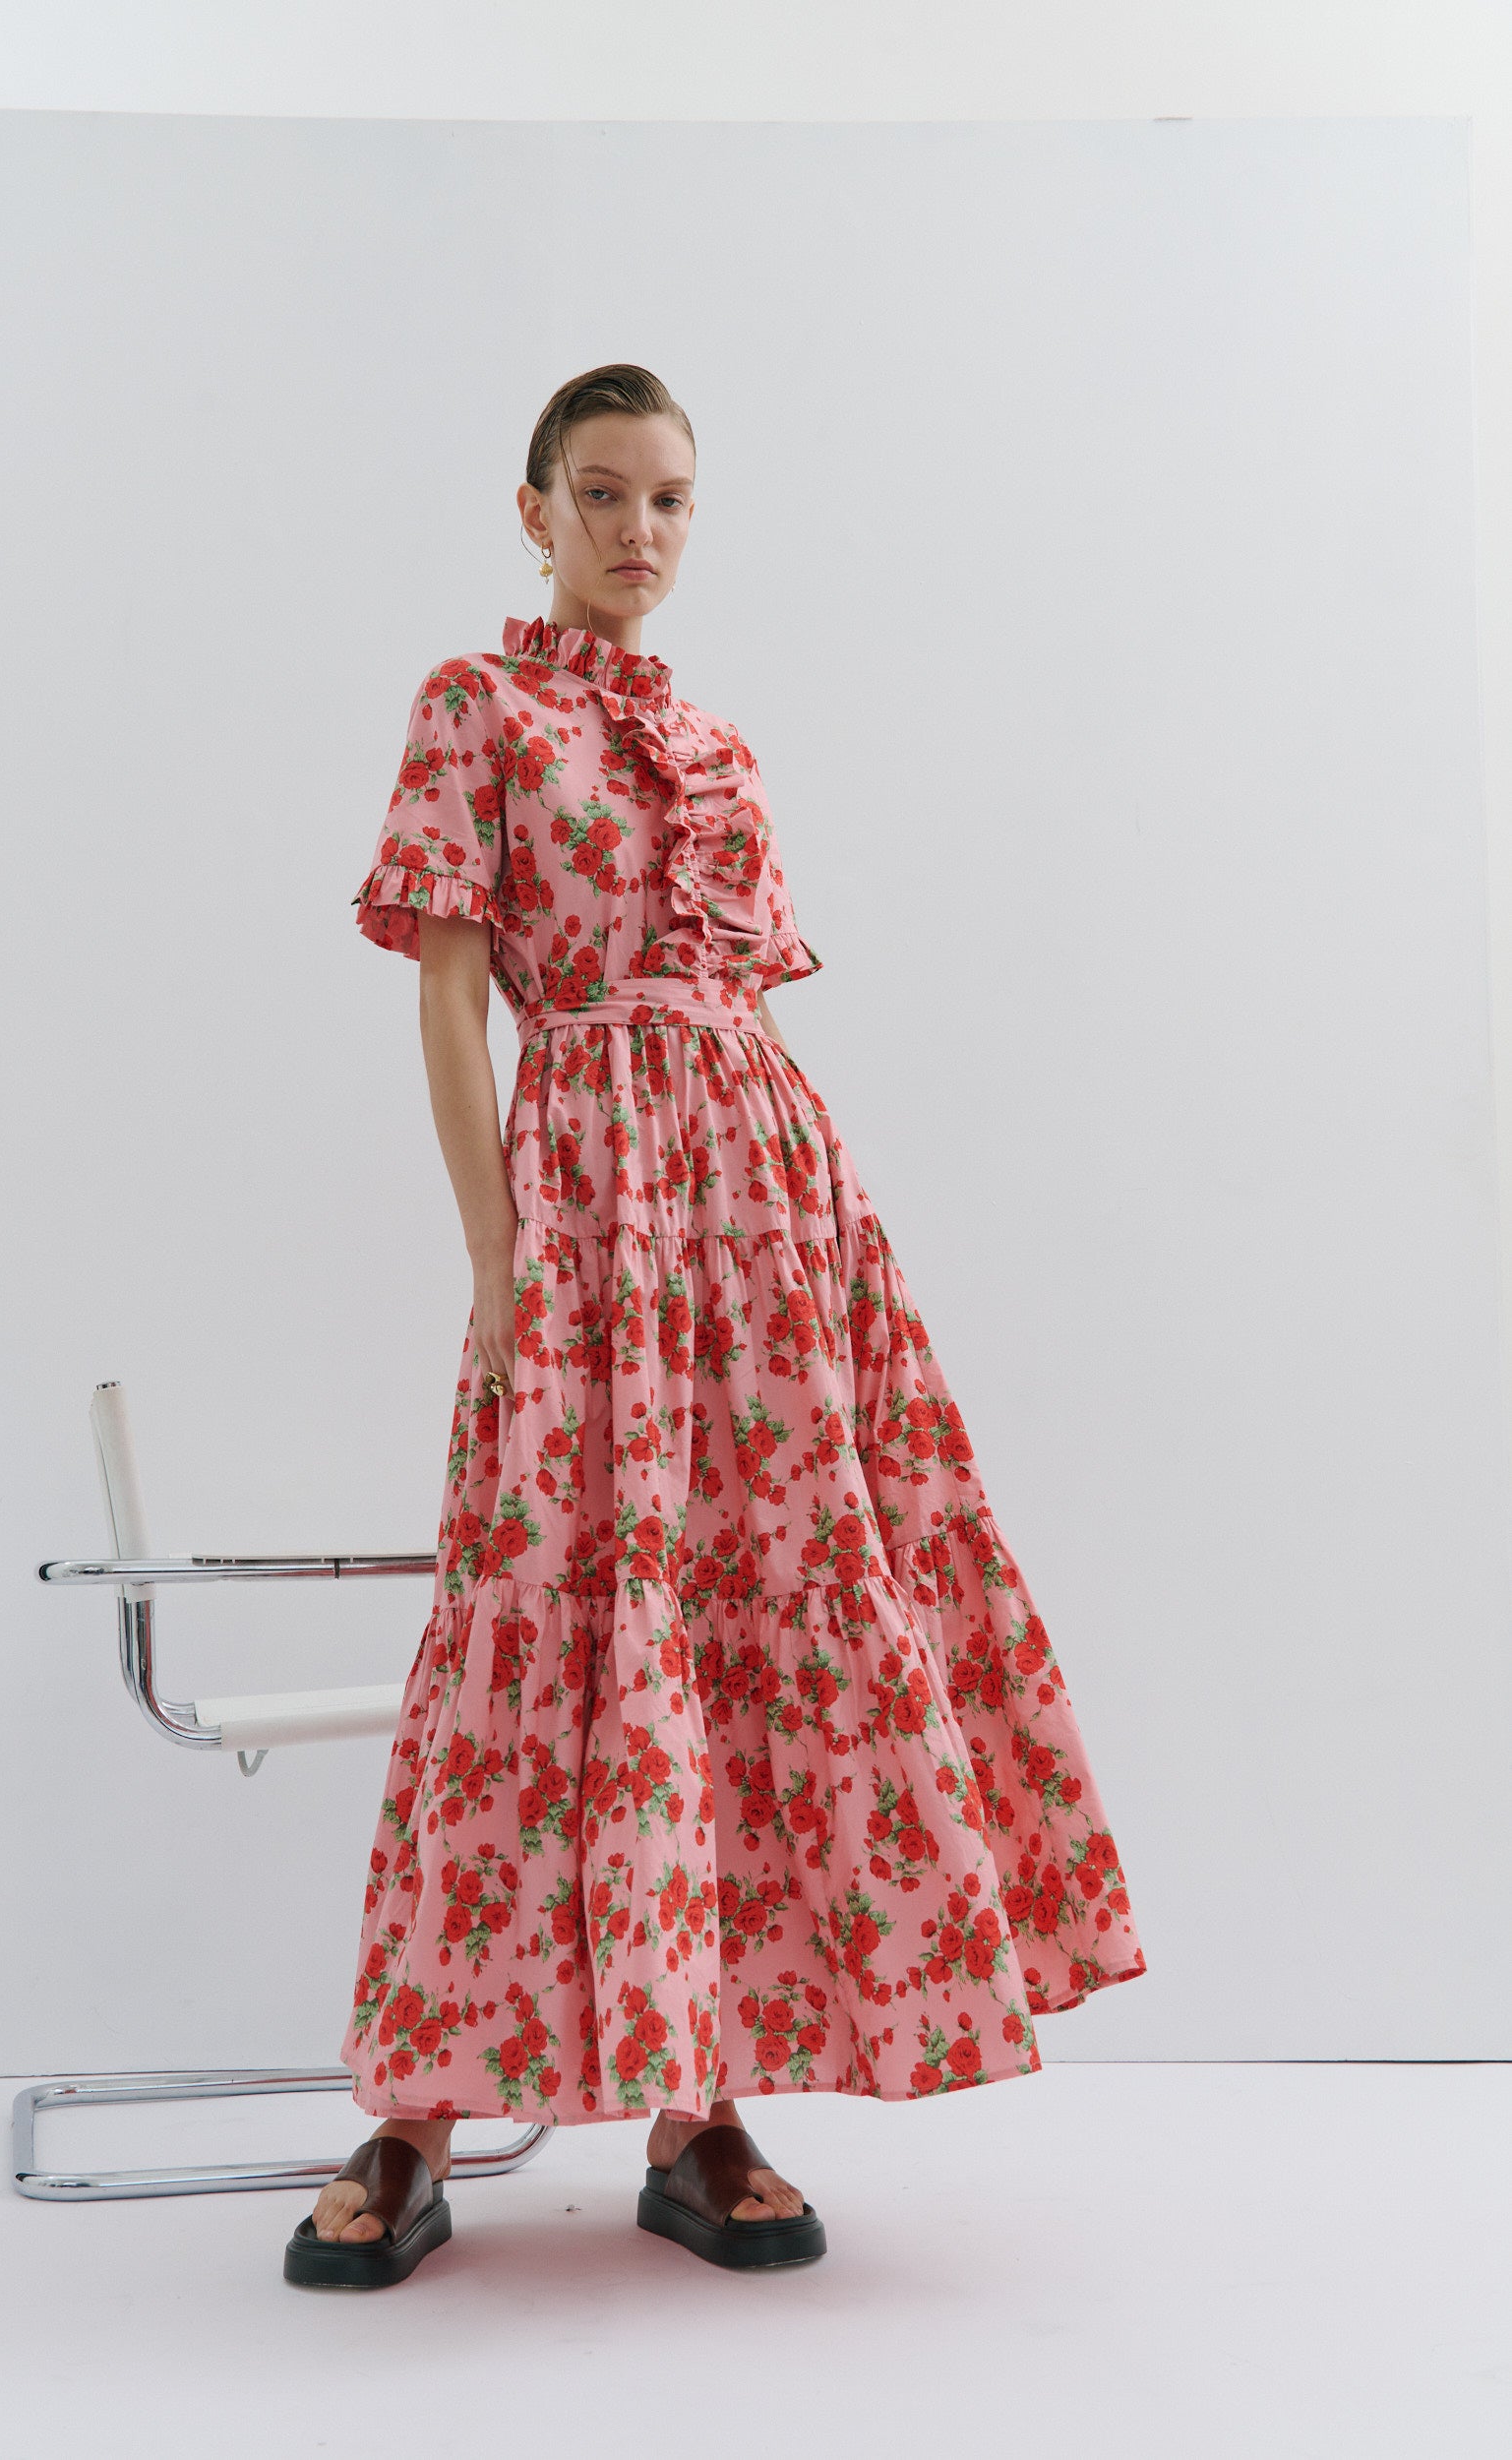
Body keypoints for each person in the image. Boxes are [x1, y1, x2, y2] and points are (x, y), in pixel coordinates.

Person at [283, 361, 1146, 2288]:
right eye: (601, 494)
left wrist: (824, 1250)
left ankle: (702, 2107)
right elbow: (447, 998)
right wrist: (499, 1260)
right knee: (540, 1616)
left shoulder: (721, 738)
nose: (639, 531)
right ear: (533, 509)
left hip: (771, 1214)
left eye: (670, 500)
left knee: (757, 1622)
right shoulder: (475, 709)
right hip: (589, 1203)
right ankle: (415, 2107)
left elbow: (748, 1013)